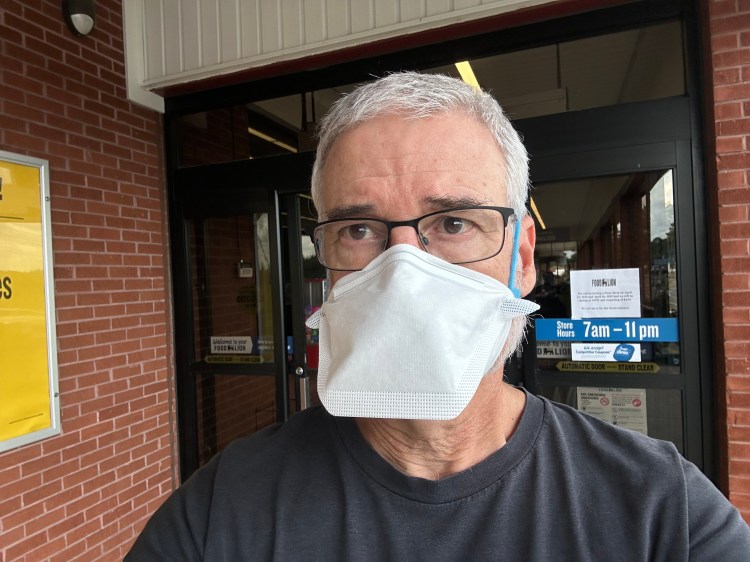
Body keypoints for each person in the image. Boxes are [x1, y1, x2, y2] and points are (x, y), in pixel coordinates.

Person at [127, 72, 750, 560]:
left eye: (454, 222)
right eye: (358, 229)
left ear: (522, 259)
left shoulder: (662, 513)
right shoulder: (219, 514)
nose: (404, 271)